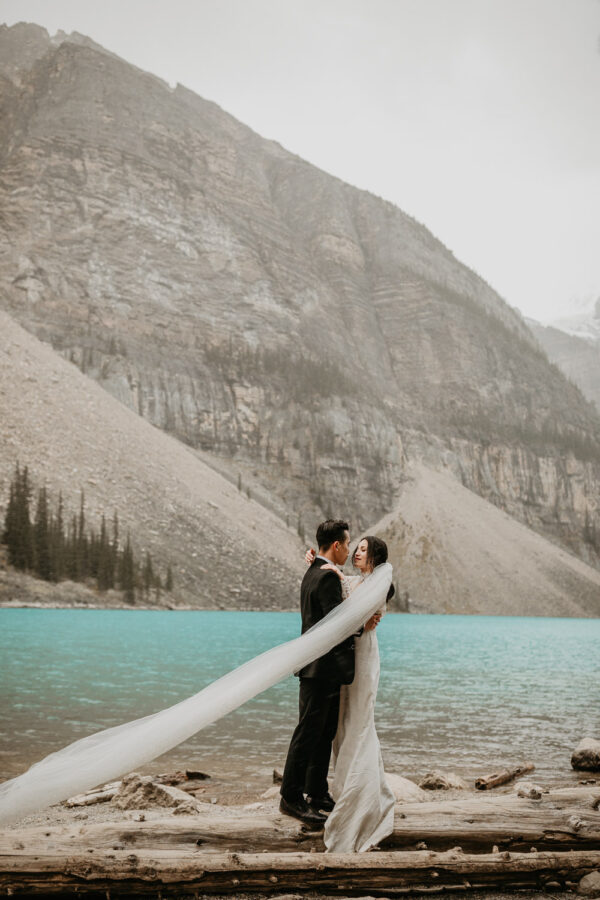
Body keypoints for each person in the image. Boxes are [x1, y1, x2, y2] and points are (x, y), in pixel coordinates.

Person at [279, 520, 384, 830]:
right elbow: (334, 625)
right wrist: (362, 625)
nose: (349, 549)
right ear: (336, 545)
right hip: (320, 669)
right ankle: (290, 796)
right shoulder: (325, 577)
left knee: (323, 733)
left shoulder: (317, 570)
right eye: (348, 543)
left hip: (324, 669)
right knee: (308, 733)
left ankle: (317, 791)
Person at [315, 534, 396, 852]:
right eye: (356, 548)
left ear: (375, 555)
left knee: (359, 721)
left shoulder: (378, 584)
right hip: (349, 659)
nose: (357, 553)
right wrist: (319, 562)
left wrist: (336, 574)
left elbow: (354, 613)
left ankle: (359, 796)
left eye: (363, 549)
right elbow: (344, 585)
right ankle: (348, 785)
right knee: (345, 723)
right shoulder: (358, 580)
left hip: (363, 659)